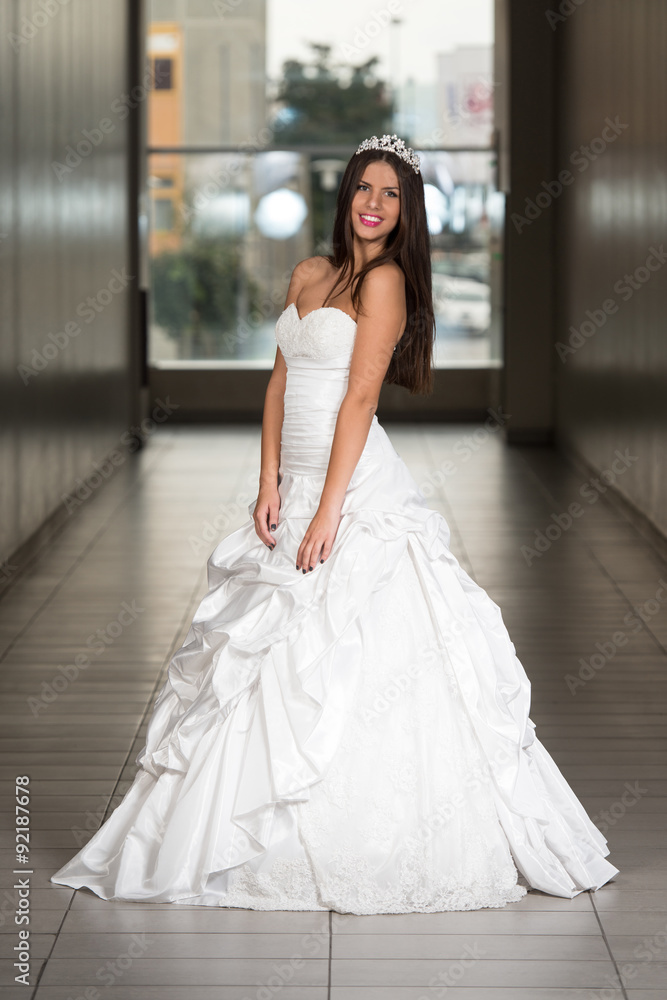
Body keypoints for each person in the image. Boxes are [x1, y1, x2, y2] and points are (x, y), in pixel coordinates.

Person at [51, 134, 619, 914]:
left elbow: (359, 399)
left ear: (404, 211)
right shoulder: (310, 274)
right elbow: (280, 383)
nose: (374, 204)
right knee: (256, 652)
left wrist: (327, 511)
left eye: (391, 195)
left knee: (349, 643)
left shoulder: (385, 284)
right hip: (295, 478)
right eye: (365, 189)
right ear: (346, 192)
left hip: (351, 485)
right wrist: (267, 481)